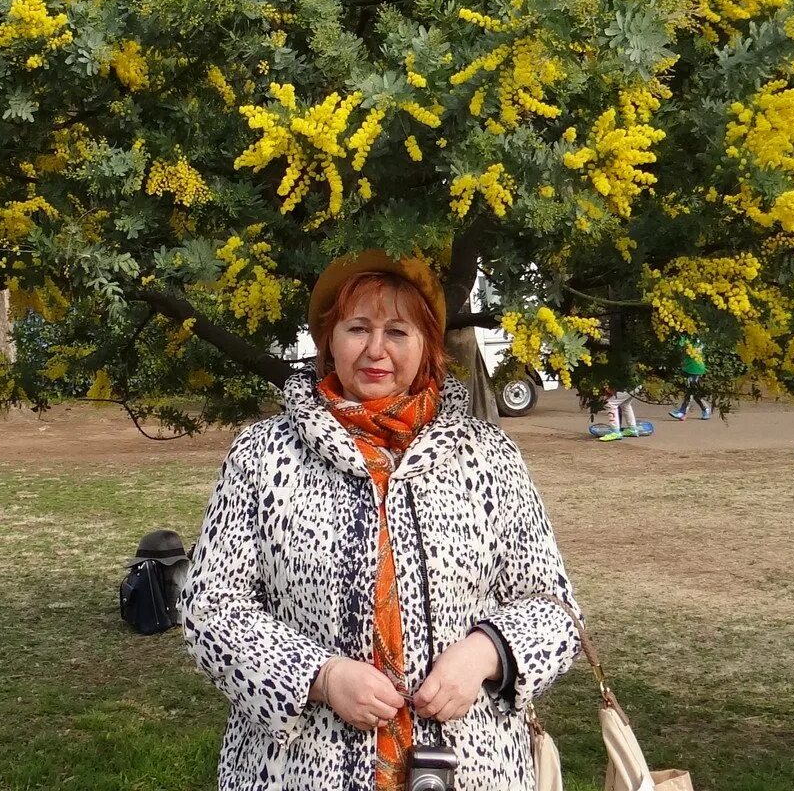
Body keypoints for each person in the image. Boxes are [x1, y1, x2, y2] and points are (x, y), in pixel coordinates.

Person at [182, 251, 580, 788]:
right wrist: (319, 677)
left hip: (472, 763)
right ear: (329, 341)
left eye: (397, 331)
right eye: (358, 329)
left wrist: (485, 654)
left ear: (427, 348)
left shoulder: (488, 456)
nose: (376, 350)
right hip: (302, 769)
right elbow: (210, 608)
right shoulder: (263, 455)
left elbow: (554, 608)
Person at [669, 335, 711, 420]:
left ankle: (682, 412)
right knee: (694, 393)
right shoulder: (688, 337)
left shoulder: (692, 338)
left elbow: (680, 346)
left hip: (695, 369)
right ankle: (705, 409)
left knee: (690, 391)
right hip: (688, 368)